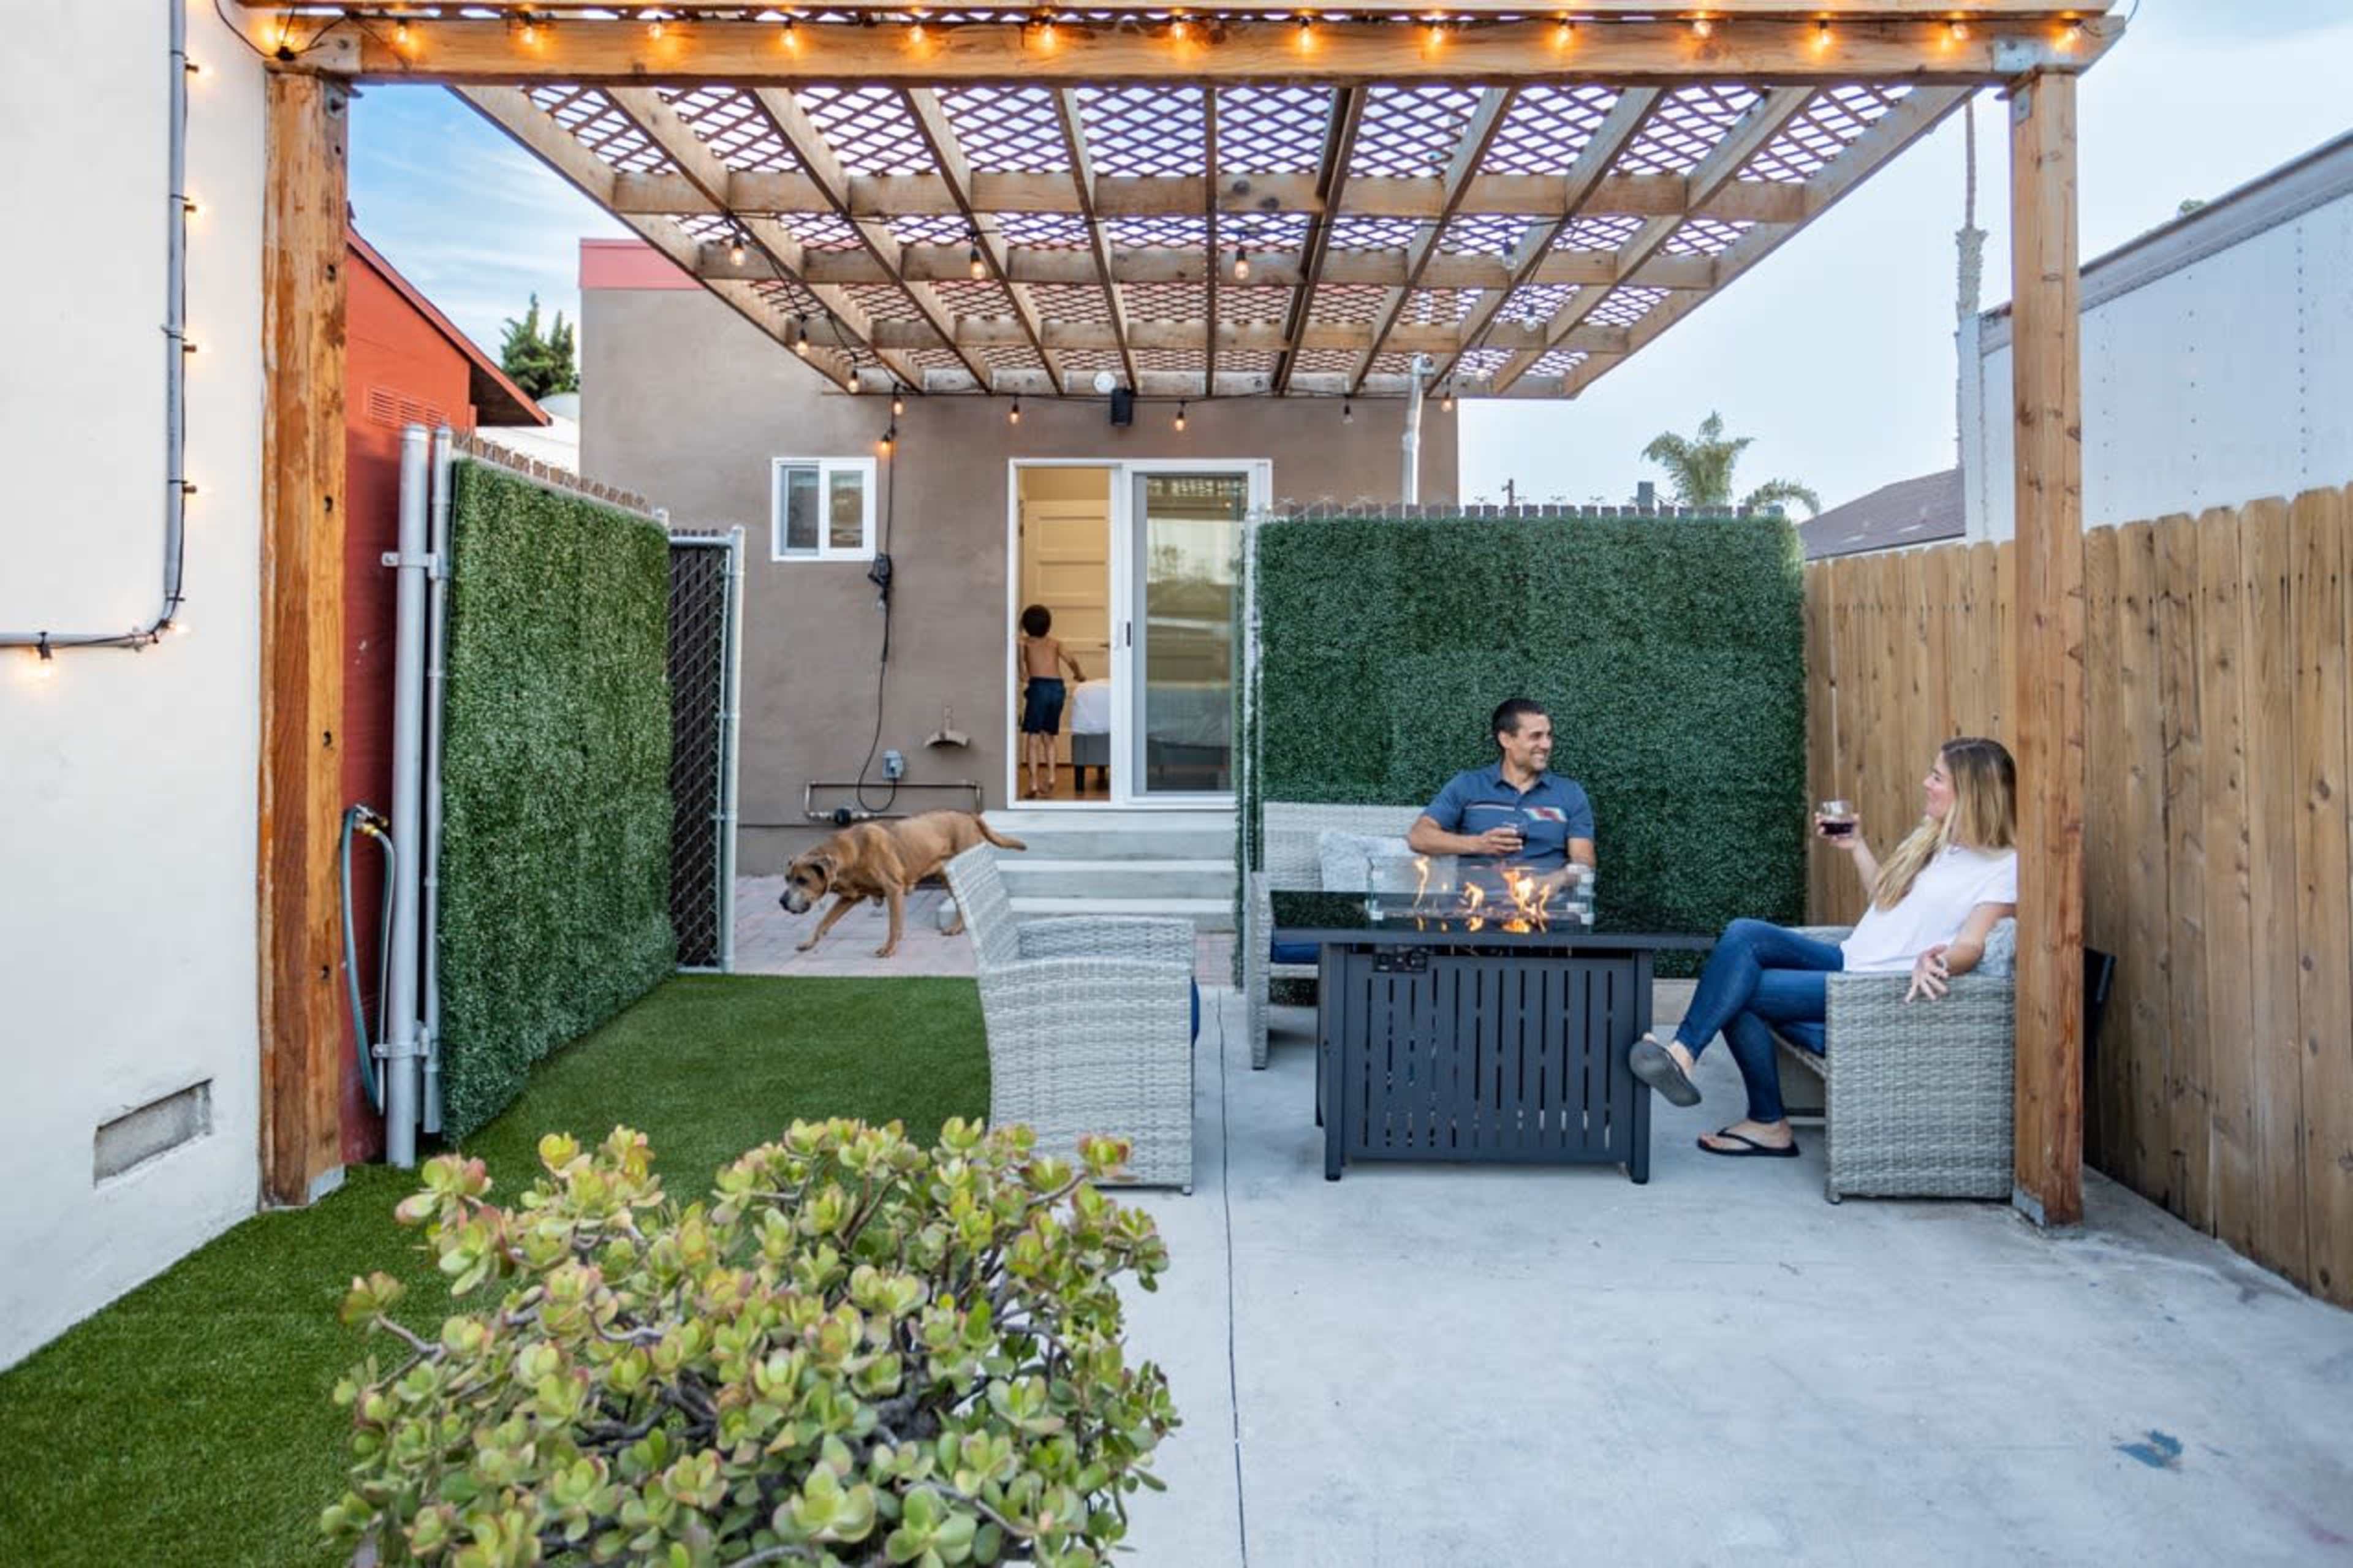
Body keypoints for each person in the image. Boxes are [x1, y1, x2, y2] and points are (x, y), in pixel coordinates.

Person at [1627, 735, 2020, 1157]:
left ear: (1971, 791)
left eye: (1937, 777)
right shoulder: (1943, 843)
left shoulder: (2003, 867)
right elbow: (1888, 902)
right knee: (1744, 932)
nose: (1926, 782)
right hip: (1849, 957)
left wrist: (1938, 958)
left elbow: (1974, 945)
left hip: (1870, 985)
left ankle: (1753, 1110)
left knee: (1742, 995)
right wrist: (1856, 846)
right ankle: (1690, 1056)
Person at [1406, 697, 1596, 879]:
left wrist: (1554, 881)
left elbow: (1584, 861)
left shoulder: (1570, 793)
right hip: (1477, 908)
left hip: (1547, 909)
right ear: (1506, 740)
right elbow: (1419, 837)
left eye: (1549, 735)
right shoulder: (1468, 785)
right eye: (1536, 736)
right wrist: (1479, 844)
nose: (1546, 745)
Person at [1017, 604, 1085, 798]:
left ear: (1026, 625)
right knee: (1050, 736)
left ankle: (1034, 783)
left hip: (1039, 688)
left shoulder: (1025, 644)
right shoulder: (1056, 643)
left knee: (1033, 738)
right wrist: (1079, 674)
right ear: (1049, 625)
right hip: (1057, 688)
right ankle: (1053, 777)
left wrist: (1024, 670)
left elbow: (1023, 673)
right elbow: (1071, 660)